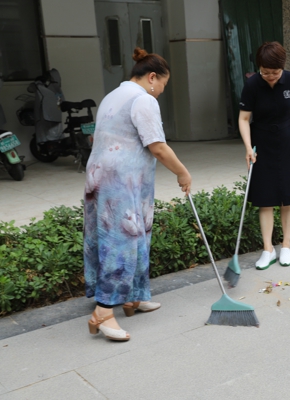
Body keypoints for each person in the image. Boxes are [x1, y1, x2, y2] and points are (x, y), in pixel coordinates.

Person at [84, 48, 192, 341]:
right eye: (163, 85)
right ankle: (103, 312)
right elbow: (157, 146)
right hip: (121, 181)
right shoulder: (143, 99)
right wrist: (182, 172)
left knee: (129, 235)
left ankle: (134, 296)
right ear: (152, 77)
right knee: (121, 242)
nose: (161, 92)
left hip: (101, 177)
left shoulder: (112, 96)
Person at [238, 41, 290, 270]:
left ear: (283, 67)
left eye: (275, 72)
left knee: (289, 196)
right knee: (265, 199)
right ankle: (268, 249)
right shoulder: (252, 84)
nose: (270, 76)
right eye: (265, 72)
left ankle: (286, 245)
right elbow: (244, 118)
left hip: (288, 142)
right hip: (262, 144)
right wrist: (248, 148)